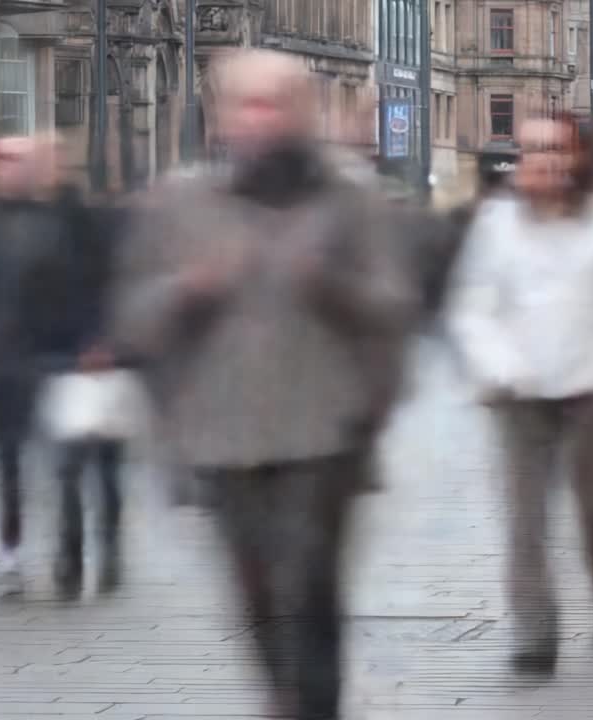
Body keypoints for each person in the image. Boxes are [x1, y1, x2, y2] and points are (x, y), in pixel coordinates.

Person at [112, 50, 422, 719]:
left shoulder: (350, 197)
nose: (260, 118)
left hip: (323, 427)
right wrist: (188, 289)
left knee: (311, 583)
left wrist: (332, 291)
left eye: (275, 103)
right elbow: (132, 319)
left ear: (304, 113)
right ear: (221, 118)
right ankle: (284, 691)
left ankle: (311, 704)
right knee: (252, 586)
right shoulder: (183, 201)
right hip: (222, 429)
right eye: (245, 104)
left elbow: (394, 307)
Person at [447, 113, 593, 671]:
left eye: (555, 149)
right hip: (519, 390)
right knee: (524, 516)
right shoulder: (496, 224)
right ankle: (534, 631)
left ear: (579, 157)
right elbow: (471, 304)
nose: (542, 160)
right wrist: (496, 366)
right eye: (531, 150)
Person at [0, 134, 130, 596]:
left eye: (28, 162)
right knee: (10, 463)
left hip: (67, 359)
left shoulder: (73, 218)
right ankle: (13, 554)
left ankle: (76, 553)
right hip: (6, 360)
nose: (17, 170)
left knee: (71, 465)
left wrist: (99, 340)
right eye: (6, 161)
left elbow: (103, 279)